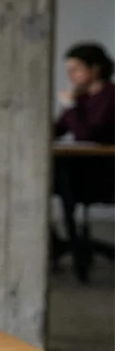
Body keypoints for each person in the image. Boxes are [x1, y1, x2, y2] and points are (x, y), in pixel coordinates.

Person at [52, 43, 115, 280]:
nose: (71, 75)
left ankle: (76, 252)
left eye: (76, 69)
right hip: (78, 169)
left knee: (61, 179)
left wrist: (71, 106)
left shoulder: (110, 97)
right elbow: (57, 130)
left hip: (102, 173)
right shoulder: (81, 97)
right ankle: (56, 244)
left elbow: (87, 135)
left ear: (95, 69)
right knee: (32, 180)